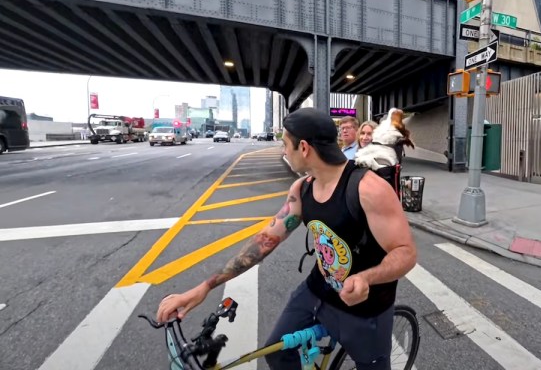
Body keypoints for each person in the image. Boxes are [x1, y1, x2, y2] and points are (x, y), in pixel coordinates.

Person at [156, 107, 417, 370]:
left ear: (303, 147)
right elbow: (264, 242)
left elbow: (405, 252)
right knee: (278, 353)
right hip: (316, 293)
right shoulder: (301, 189)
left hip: (364, 307)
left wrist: (365, 278)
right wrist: (204, 287)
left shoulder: (369, 189)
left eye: (285, 144)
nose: (283, 151)